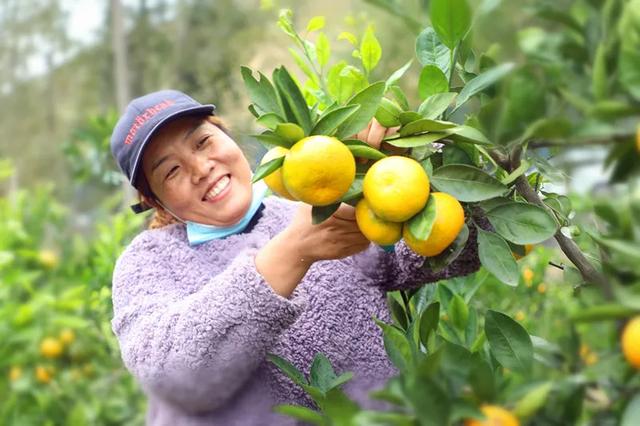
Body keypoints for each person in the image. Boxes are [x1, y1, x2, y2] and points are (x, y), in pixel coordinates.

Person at [109, 90, 480, 425]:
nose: (201, 168)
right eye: (171, 170)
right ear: (157, 201)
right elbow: (174, 377)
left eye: (203, 141)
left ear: (228, 136)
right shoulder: (151, 261)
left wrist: (416, 167)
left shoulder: (318, 203)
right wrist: (293, 251)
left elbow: (453, 246)